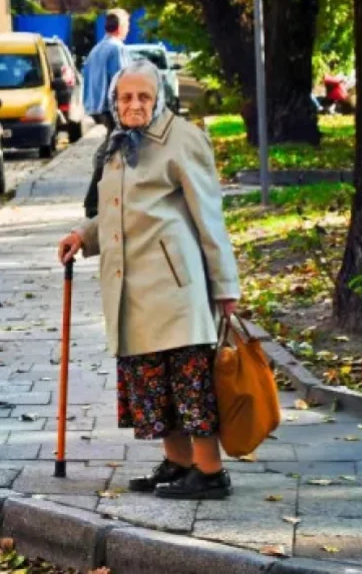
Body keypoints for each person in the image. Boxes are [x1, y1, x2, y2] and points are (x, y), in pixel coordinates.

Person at [58, 59, 241, 501]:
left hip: (175, 287)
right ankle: (179, 464)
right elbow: (116, 211)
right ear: (114, 102)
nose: (134, 104)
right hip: (131, 288)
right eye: (126, 97)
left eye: (143, 96)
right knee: (152, 383)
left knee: (188, 382)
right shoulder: (118, 144)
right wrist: (82, 236)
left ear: (159, 98)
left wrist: (225, 285)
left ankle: (210, 472)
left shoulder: (183, 139)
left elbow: (209, 217)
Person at [81, 9, 131, 218]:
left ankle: (113, 197)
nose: (128, 29)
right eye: (127, 25)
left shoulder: (96, 49)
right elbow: (122, 83)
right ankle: (93, 202)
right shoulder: (116, 49)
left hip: (97, 108)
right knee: (114, 150)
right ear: (120, 27)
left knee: (113, 148)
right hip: (112, 109)